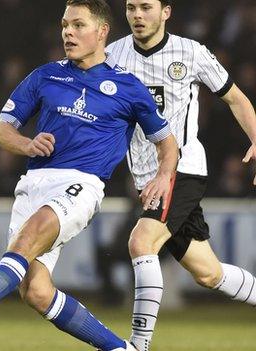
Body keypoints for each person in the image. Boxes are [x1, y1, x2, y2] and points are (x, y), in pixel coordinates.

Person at [0, 1, 179, 350]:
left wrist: (163, 176)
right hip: (33, 183)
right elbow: (1, 130)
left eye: (78, 25)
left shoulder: (128, 87)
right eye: (65, 25)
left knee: (28, 238)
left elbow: (167, 143)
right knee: (35, 290)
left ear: (102, 31)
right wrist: (27, 144)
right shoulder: (45, 76)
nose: (68, 32)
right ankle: (121, 349)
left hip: (82, 184)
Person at [106, 1, 256, 350]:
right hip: (145, 180)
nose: (138, 15)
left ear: (166, 12)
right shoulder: (113, 56)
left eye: (146, 7)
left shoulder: (190, 53)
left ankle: (137, 345)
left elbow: (235, 98)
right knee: (209, 273)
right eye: (131, 8)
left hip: (182, 170)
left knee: (141, 243)